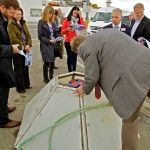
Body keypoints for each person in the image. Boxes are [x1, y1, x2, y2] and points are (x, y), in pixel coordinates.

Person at [70, 29, 150, 150]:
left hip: (133, 76)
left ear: (77, 50)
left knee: (129, 121)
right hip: (146, 62)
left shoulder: (84, 47)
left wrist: (84, 88)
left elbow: (92, 76)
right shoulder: (105, 34)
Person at [0, 0, 21, 128]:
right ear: (3, 7)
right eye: (12, 12)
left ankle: (3, 108)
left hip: (3, 61)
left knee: (4, 90)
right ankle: (3, 120)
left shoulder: (3, 18)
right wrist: (10, 49)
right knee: (2, 89)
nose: (14, 15)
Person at [7, 8, 32, 94]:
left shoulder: (23, 23)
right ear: (13, 15)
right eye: (17, 14)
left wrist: (29, 44)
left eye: (20, 14)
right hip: (18, 49)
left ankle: (26, 84)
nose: (18, 16)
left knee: (26, 67)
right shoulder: (10, 24)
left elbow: (28, 35)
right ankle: (20, 88)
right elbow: (13, 39)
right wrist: (25, 46)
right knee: (19, 70)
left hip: (26, 48)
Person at [61, 6, 86, 72]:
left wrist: (81, 17)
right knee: (70, 57)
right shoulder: (67, 20)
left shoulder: (79, 20)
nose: (75, 15)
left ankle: (74, 71)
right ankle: (70, 71)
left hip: (76, 42)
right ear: (71, 12)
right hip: (68, 41)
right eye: (74, 13)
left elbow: (84, 27)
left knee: (74, 58)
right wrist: (67, 29)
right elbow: (62, 32)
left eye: (77, 13)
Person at [38, 5, 58, 83]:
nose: (50, 15)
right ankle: (45, 77)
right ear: (45, 13)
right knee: (46, 62)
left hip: (53, 44)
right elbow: (40, 36)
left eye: (52, 14)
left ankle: (51, 76)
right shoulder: (41, 22)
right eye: (49, 13)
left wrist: (58, 35)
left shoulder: (53, 22)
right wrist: (49, 40)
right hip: (46, 45)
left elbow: (55, 33)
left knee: (52, 61)